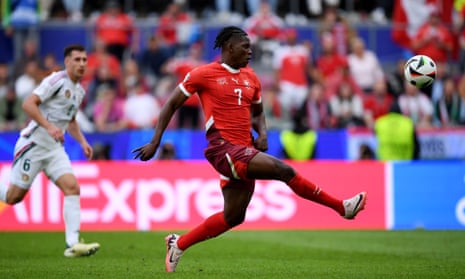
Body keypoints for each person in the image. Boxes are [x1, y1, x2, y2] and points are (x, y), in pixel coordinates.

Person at [132, 26, 367, 273]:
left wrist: (263, 133)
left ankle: (178, 243)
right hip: (223, 149)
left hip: (244, 149)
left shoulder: (251, 78)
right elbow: (171, 104)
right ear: (229, 47)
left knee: (233, 217)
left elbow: (258, 112)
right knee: (283, 169)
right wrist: (155, 141)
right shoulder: (203, 74)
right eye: (245, 46)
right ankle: (342, 207)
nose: (250, 51)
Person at [0, 44, 100, 257]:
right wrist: (49, 126)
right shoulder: (55, 81)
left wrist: (82, 141)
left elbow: (70, 119)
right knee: (13, 197)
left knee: (72, 187)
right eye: (77, 60)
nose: (82, 64)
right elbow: (28, 104)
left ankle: (72, 244)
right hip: (34, 145)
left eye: (84, 60)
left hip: (54, 149)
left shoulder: (79, 91)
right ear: (67, 62)